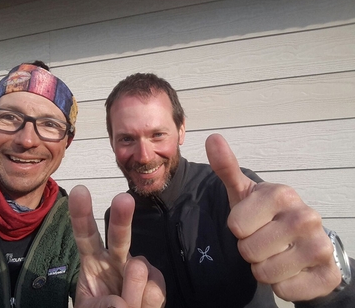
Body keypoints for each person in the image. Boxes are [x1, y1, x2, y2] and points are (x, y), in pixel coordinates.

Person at [0, 62, 165, 308]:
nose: (27, 139)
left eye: (50, 124)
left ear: (67, 142)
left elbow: (93, 288)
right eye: (8, 117)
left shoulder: (70, 223)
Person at [104, 72, 354, 307]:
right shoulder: (118, 219)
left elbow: (307, 263)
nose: (145, 156)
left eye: (158, 134)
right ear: (112, 142)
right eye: (127, 139)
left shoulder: (233, 191)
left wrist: (329, 287)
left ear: (181, 131)